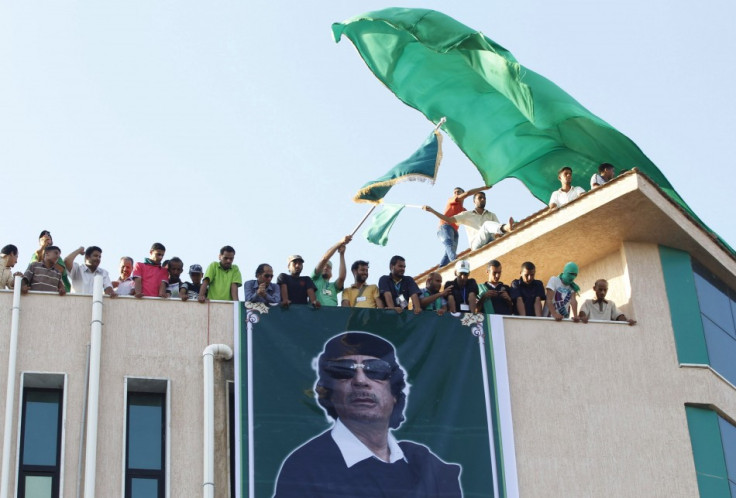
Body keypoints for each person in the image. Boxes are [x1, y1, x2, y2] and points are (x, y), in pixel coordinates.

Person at [273, 332, 462, 498]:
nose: (361, 380)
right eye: (344, 370)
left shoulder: (425, 464)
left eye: (376, 370)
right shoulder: (305, 468)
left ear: (394, 394)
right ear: (329, 391)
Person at [423, 192, 514, 251]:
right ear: (474, 201)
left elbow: (498, 233)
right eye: (480, 198)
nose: (483, 199)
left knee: (494, 229)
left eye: (484, 198)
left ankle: (507, 228)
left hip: (490, 240)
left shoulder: (491, 215)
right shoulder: (466, 214)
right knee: (486, 225)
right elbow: (449, 219)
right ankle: (506, 227)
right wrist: (432, 211)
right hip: (476, 244)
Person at [434, 186, 491, 267]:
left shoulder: (464, 210)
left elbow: (473, 220)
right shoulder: (451, 200)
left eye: (458, 192)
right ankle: (456, 263)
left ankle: (440, 270)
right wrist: (483, 188)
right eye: (455, 192)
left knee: (449, 253)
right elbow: (467, 193)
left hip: (455, 231)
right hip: (445, 227)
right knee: (449, 244)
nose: (456, 194)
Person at [312, 236, 352, 307]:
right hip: (317, 313)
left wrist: (342, 254)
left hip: (332, 314)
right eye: (324, 266)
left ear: (331, 274)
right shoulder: (314, 279)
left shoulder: (333, 286)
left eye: (329, 267)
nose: (326, 268)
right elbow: (324, 259)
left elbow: (342, 277)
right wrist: (340, 243)